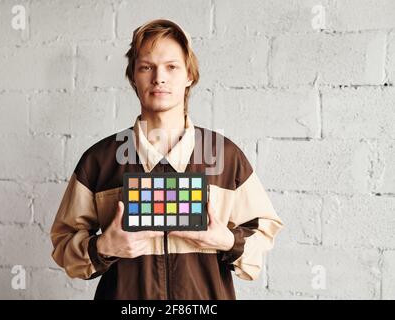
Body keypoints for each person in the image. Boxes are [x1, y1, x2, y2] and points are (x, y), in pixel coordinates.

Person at [50, 19, 283, 300]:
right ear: (133, 77)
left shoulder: (225, 155)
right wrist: (101, 247)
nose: (159, 77)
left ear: (189, 76)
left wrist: (228, 241)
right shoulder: (100, 160)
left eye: (172, 67)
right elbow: (64, 243)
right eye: (146, 67)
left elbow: (264, 232)